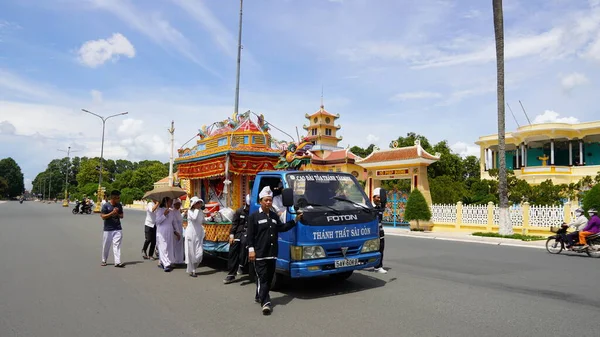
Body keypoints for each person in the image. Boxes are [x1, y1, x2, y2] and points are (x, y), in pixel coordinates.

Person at [247, 186, 302, 315]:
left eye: (270, 200)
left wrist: (295, 220)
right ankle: (265, 302)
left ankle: (258, 295)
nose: (268, 203)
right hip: (259, 253)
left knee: (269, 277)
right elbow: (250, 235)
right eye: (266, 200)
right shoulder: (254, 217)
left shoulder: (273, 216)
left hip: (271, 253)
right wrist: (251, 250)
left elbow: (281, 228)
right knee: (263, 278)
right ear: (260, 201)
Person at [224, 194, 250, 284]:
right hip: (238, 234)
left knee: (244, 243)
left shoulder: (254, 212)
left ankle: (242, 265)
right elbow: (234, 224)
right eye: (247, 205)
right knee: (233, 250)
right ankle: (231, 274)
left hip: (248, 234)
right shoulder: (239, 211)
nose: (248, 208)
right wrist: (231, 236)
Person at [155, 197, 181, 272]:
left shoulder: (171, 211)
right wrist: (164, 215)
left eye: (172, 201)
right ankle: (166, 264)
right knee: (163, 246)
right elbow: (157, 222)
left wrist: (177, 232)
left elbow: (174, 222)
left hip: (169, 230)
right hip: (162, 230)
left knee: (169, 246)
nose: (172, 203)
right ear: (165, 202)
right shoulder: (160, 210)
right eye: (170, 201)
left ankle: (165, 261)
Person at [100, 190, 124, 268]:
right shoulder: (106, 205)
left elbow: (122, 216)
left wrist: (117, 213)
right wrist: (111, 213)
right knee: (106, 245)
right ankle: (104, 260)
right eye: (117, 198)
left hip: (117, 228)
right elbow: (103, 216)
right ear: (113, 197)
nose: (119, 199)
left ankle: (117, 262)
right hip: (108, 229)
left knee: (117, 245)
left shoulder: (119, 205)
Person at [184, 196, 206, 277]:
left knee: (199, 253)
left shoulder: (200, 211)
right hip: (191, 233)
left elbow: (203, 220)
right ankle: (193, 270)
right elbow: (194, 218)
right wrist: (196, 210)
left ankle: (193, 268)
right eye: (197, 203)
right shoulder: (190, 212)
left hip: (199, 233)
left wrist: (211, 217)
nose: (199, 204)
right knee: (191, 252)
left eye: (200, 203)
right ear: (193, 204)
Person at [372, 188, 387, 274]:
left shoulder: (380, 208)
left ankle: (378, 267)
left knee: (381, 249)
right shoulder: (369, 208)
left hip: (380, 231)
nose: (379, 200)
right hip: (372, 232)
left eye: (380, 198)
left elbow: (383, 203)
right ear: (373, 197)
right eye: (378, 197)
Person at [172, 198, 185, 265]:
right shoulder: (172, 212)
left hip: (180, 230)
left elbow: (180, 220)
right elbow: (173, 223)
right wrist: (176, 232)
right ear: (174, 205)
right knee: (174, 246)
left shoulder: (178, 212)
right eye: (177, 204)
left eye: (179, 204)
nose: (179, 206)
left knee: (179, 246)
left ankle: (179, 260)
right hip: (175, 232)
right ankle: (174, 260)